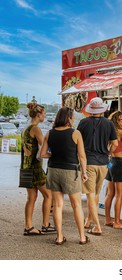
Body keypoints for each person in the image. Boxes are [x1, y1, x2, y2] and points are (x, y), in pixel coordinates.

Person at [40, 107, 89, 245]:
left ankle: (60, 237)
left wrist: (54, 155)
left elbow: (42, 154)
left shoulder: (49, 133)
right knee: (76, 205)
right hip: (70, 171)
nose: (73, 119)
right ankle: (82, 237)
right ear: (68, 118)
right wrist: (84, 173)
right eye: (72, 116)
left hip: (53, 171)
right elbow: (82, 156)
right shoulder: (76, 133)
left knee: (58, 205)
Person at [77, 97, 118, 236]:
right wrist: (108, 154)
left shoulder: (83, 123)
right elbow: (115, 144)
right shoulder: (109, 124)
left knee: (90, 195)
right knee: (95, 195)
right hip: (103, 164)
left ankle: (97, 227)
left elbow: (77, 142)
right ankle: (88, 221)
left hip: (88, 163)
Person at [21, 102, 56, 236]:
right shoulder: (36, 129)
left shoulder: (25, 128)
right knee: (48, 195)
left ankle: (28, 226)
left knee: (31, 198)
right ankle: (46, 224)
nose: (45, 115)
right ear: (38, 114)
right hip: (35, 167)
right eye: (44, 113)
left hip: (25, 167)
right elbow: (44, 146)